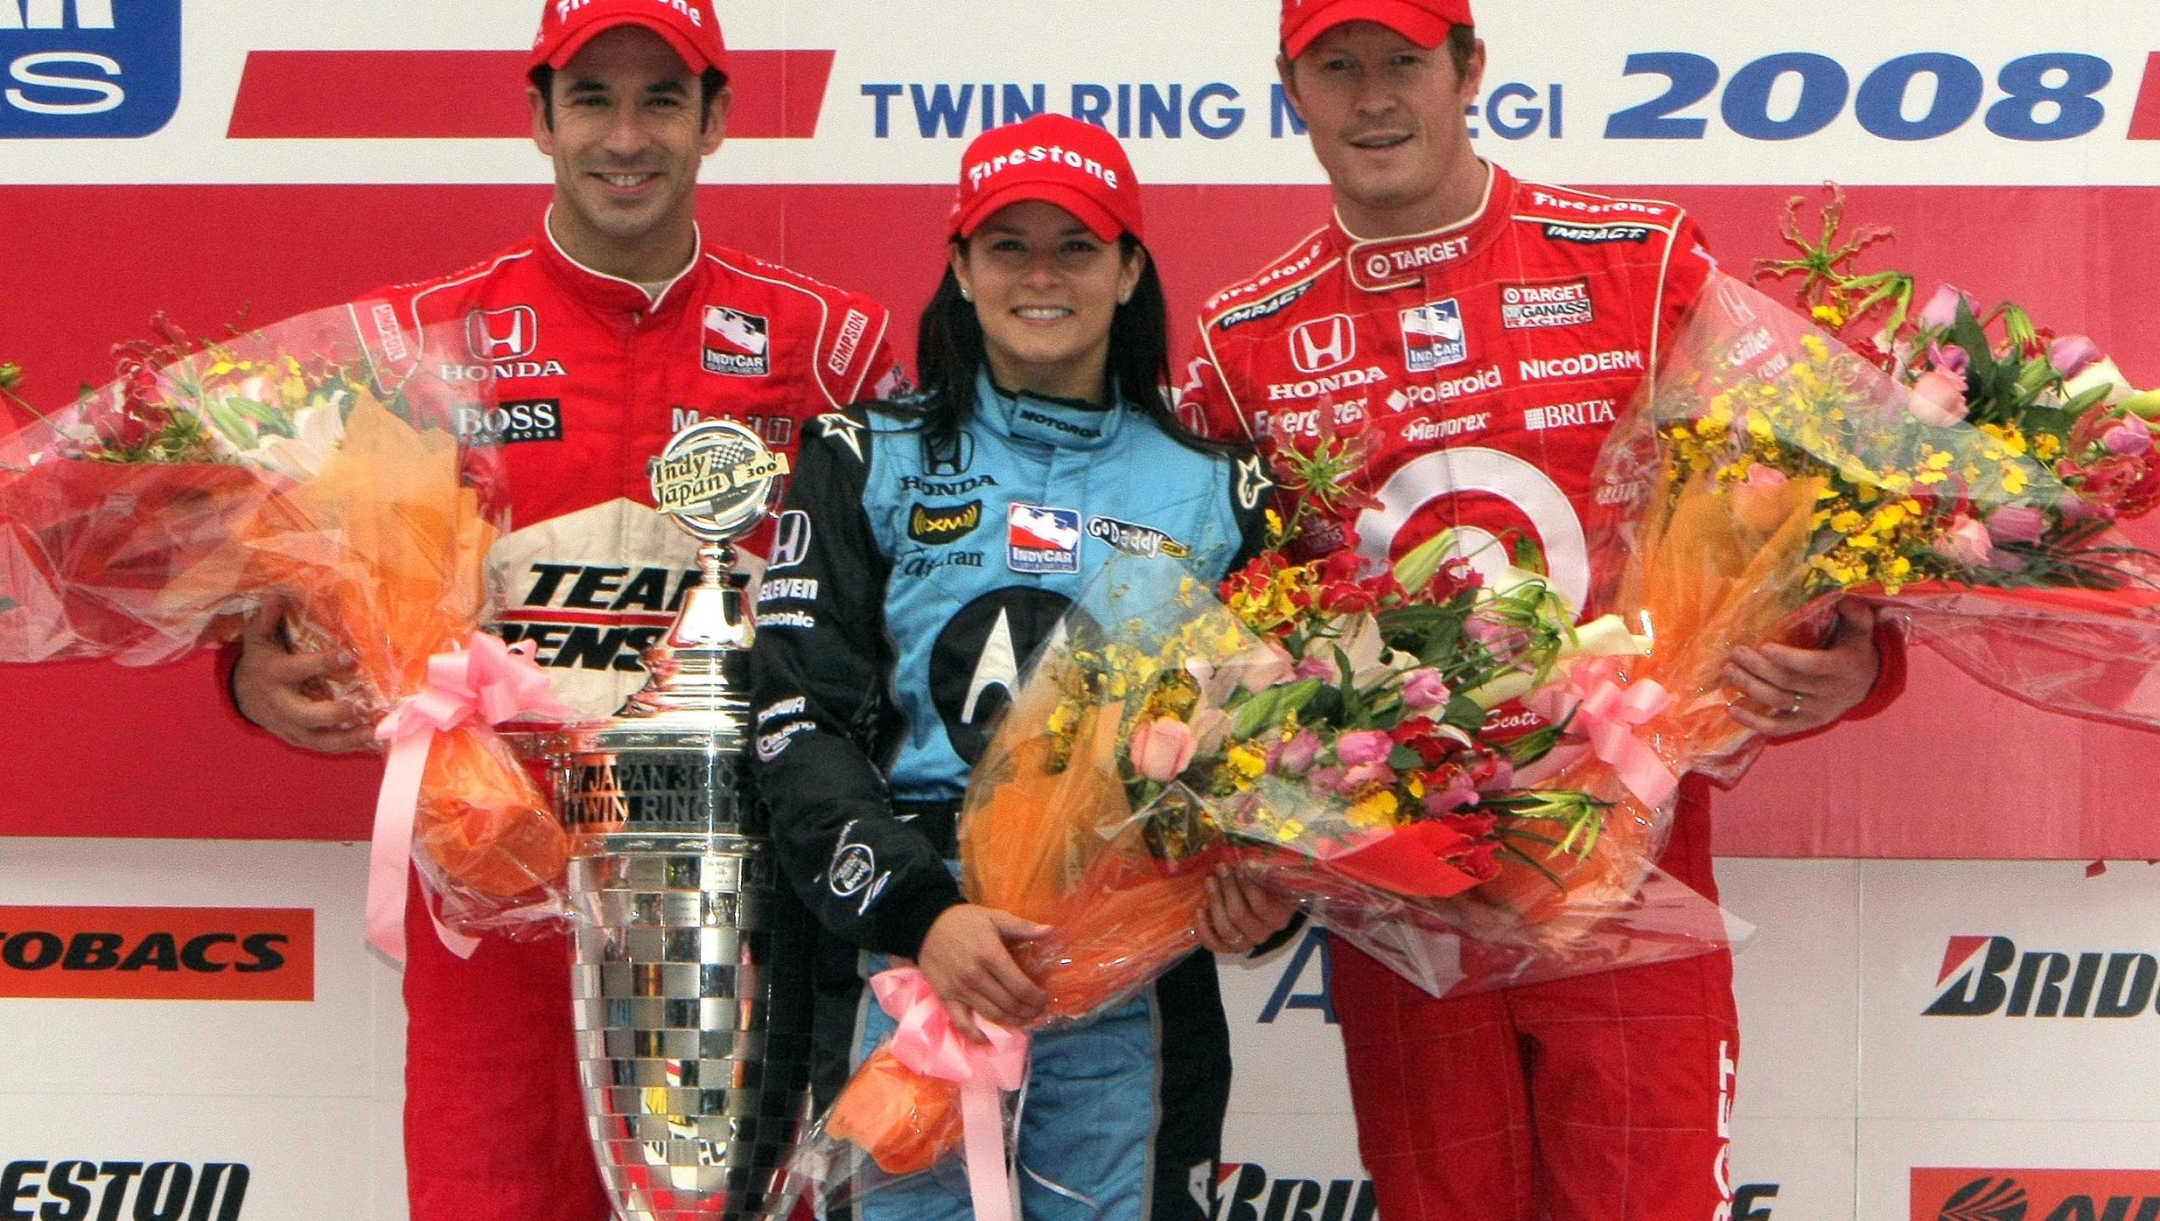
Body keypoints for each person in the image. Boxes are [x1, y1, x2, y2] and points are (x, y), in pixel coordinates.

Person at [1177, 2, 1903, 1218]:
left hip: (1629, 871)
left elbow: (1824, 507)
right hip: (1399, 893)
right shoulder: (1236, 343)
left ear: (1469, 70)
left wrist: (1864, 651)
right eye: (1336, 68)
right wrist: (1235, 844)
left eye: (1403, 62)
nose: (1371, 98)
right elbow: (1216, 634)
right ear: (1288, 89)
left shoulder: (1643, 260)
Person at [227, 3, 904, 1219]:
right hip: (503, 904)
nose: (627, 135)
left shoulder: (831, 344)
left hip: (750, 904)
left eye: (662, 99)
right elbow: (297, 588)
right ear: (539, 118)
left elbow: (909, 596)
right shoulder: (423, 344)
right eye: (592, 98)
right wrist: (246, 674)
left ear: (718, 121)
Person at [749, 113, 1295, 1221]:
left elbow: (1280, 755)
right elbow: (797, 726)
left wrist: (1265, 891)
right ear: (959, 267)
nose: (1041, 277)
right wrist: (923, 912)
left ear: (1131, 270)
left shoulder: (1223, 492)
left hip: (1134, 969)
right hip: (915, 963)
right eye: (1008, 247)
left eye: (1077, 247)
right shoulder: (862, 457)